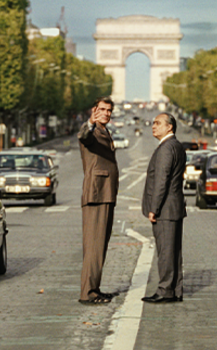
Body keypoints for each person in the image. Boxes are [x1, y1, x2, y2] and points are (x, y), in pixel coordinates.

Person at [77, 97, 120, 304]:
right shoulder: (92, 131)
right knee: (94, 245)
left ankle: (94, 288)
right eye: (102, 109)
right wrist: (90, 123)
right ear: (93, 111)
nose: (106, 113)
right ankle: (88, 293)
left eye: (109, 110)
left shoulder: (104, 130)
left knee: (99, 245)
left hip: (105, 193)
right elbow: (83, 136)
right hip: (97, 193)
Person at [141, 112, 186, 303]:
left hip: (165, 209)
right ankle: (175, 289)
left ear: (170, 127)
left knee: (166, 252)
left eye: (158, 123)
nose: (153, 126)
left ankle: (165, 290)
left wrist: (154, 208)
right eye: (153, 123)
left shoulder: (166, 148)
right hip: (174, 207)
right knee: (174, 252)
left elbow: (161, 181)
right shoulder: (176, 145)